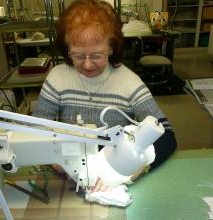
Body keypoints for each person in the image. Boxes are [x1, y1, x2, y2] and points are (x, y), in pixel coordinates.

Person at [34, 0, 177, 192]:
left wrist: (137, 170)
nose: (87, 65)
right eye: (78, 55)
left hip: (113, 176)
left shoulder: (129, 82)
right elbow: (36, 130)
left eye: (96, 55)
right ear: (67, 49)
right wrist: (55, 161)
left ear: (111, 47)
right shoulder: (58, 78)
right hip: (68, 174)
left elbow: (166, 137)